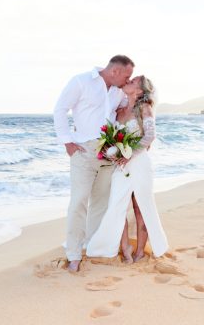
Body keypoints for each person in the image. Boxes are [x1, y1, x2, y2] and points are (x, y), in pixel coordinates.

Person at [53, 55, 134, 272]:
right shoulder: (81, 81)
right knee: (79, 201)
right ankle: (73, 254)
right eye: (127, 75)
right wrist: (67, 142)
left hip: (108, 151)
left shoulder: (118, 91)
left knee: (100, 202)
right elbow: (60, 109)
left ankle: (92, 246)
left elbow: (125, 113)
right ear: (115, 71)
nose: (128, 80)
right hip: (84, 150)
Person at [86, 75, 168, 262]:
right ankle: (125, 248)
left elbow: (149, 137)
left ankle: (140, 250)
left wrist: (129, 154)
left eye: (133, 82)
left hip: (139, 163)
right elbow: (111, 137)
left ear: (139, 91)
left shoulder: (144, 108)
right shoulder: (118, 111)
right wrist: (110, 150)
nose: (128, 81)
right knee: (117, 204)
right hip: (120, 166)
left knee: (142, 207)